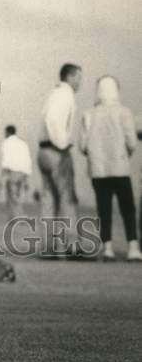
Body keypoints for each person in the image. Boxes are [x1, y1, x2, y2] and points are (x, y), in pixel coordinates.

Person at [79, 75, 141, 262]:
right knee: (127, 209)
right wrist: (125, 153)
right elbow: (132, 141)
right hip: (120, 167)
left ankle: (107, 248)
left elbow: (83, 145)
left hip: (98, 170)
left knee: (103, 209)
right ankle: (132, 247)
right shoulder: (124, 112)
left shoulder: (88, 114)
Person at [37, 63, 82, 256]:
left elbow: (46, 118)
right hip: (56, 150)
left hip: (43, 150)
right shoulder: (66, 95)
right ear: (70, 77)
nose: (80, 82)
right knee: (67, 200)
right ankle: (70, 247)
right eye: (79, 77)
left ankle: (49, 248)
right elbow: (53, 120)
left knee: (48, 200)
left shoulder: (53, 93)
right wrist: (62, 144)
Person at [0, 125, 32, 219]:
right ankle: (14, 216)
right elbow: (27, 159)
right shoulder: (23, 143)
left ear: (8, 132)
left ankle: (18, 215)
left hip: (13, 171)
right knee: (18, 195)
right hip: (23, 172)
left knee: (12, 196)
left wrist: (2, 175)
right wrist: (27, 175)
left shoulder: (6, 143)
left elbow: (6, 160)